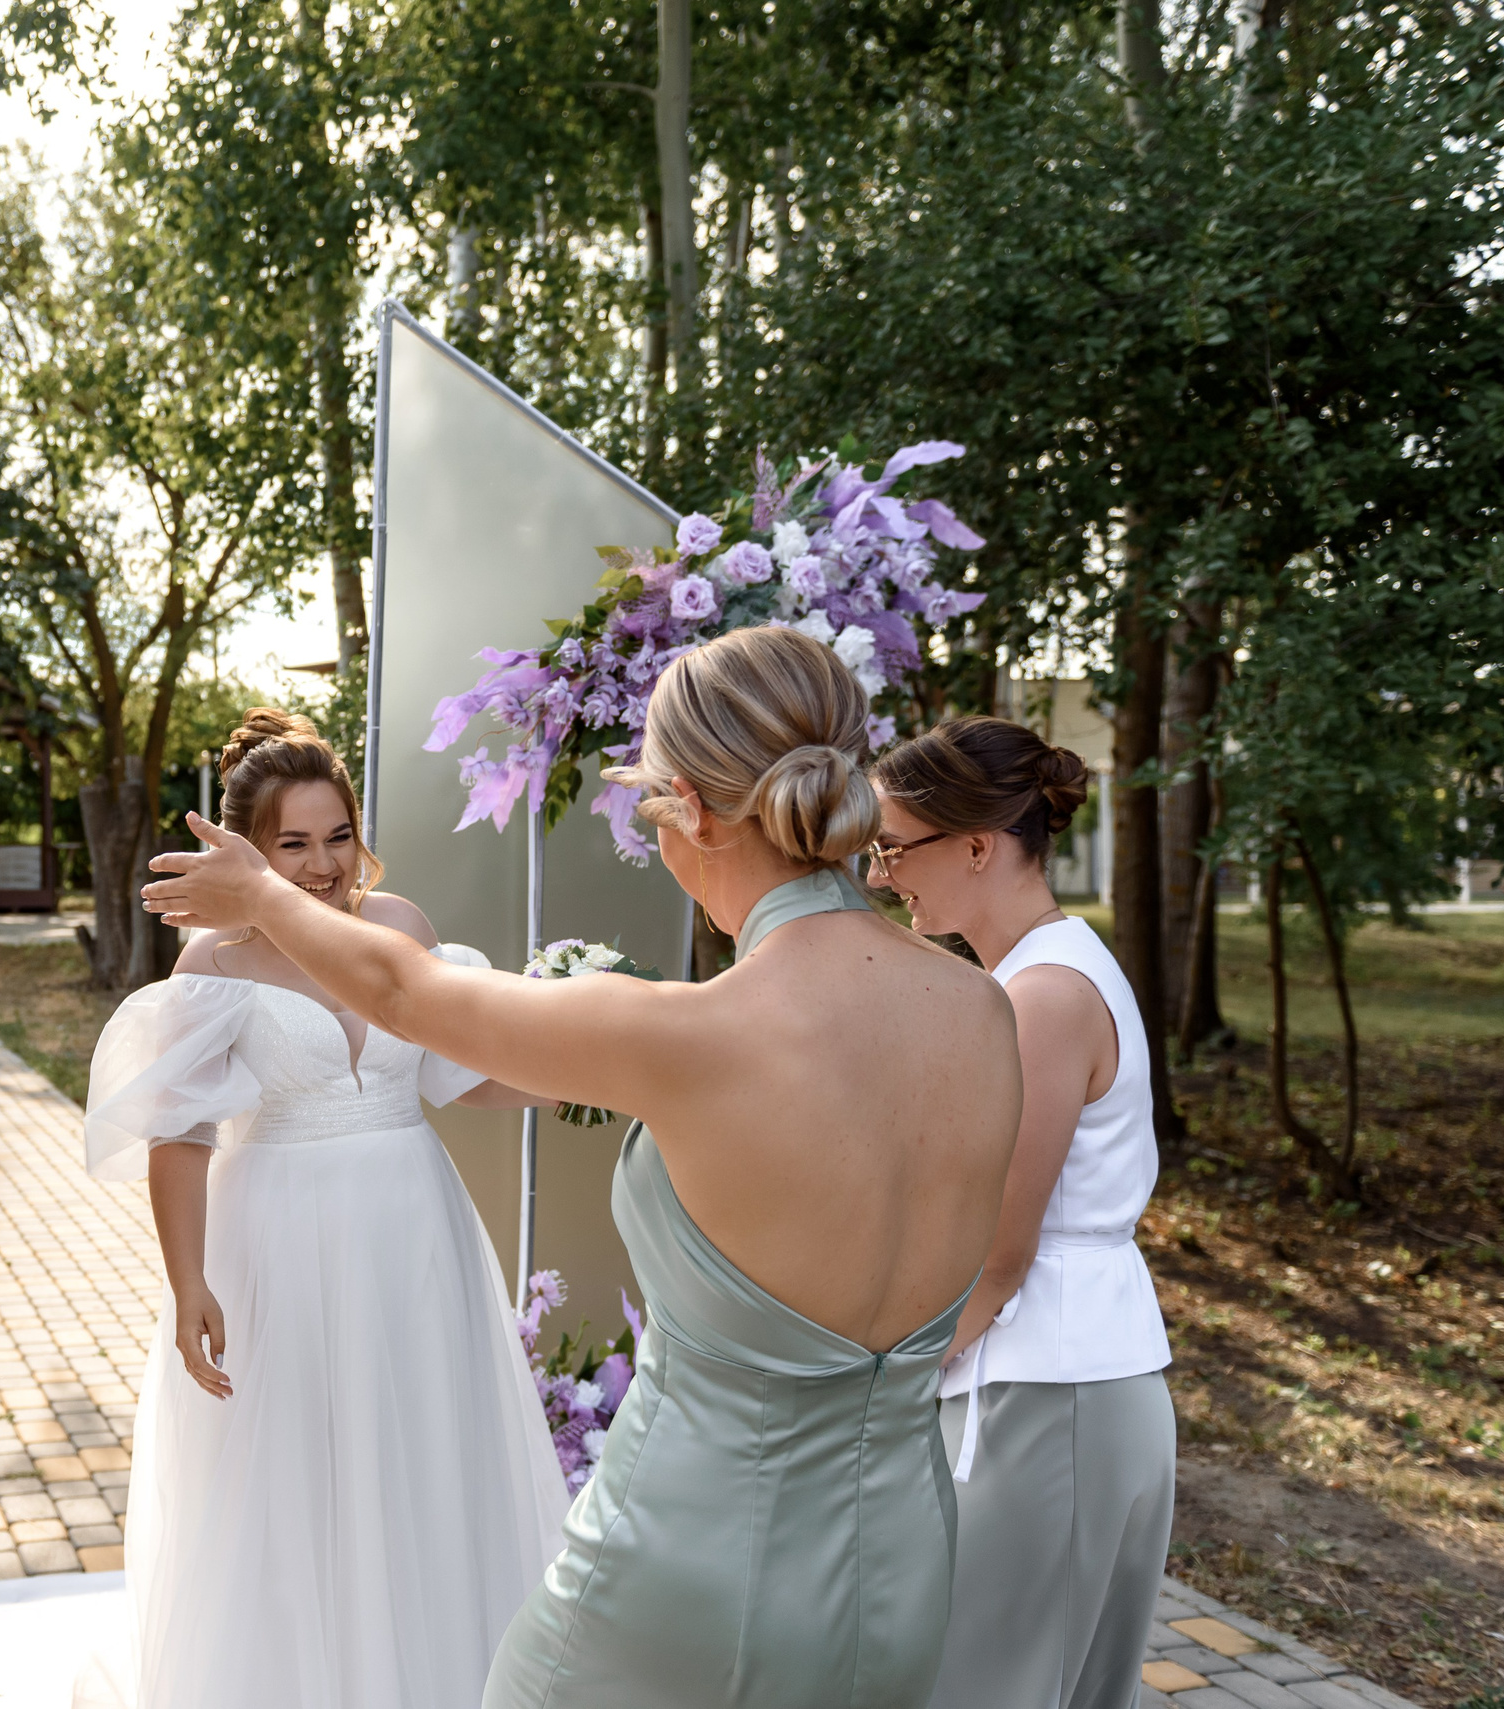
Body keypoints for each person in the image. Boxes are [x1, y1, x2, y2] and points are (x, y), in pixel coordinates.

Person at [143, 628, 1025, 1709]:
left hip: (683, 1570)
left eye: (650, 803)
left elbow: (411, 998)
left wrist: (263, 896)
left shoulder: (698, 1032)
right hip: (900, 1568)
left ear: (694, 810)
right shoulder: (983, 1011)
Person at [81, 709, 571, 1709]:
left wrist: (569, 1068)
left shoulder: (402, 928)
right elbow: (180, 1134)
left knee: (420, 1452)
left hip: (411, 1222)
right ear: (247, 851)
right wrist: (187, 1284)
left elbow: (451, 1071)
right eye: (292, 844)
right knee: (295, 1474)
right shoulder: (213, 964)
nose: (322, 866)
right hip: (279, 1237)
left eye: (337, 835)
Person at [870, 716, 1175, 1709]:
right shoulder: (1035, 972)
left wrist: (891, 1384)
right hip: (1071, 1381)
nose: (881, 875)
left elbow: (1001, 1249)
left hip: (1048, 1388)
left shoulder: (1042, 994)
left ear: (975, 843)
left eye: (893, 846)